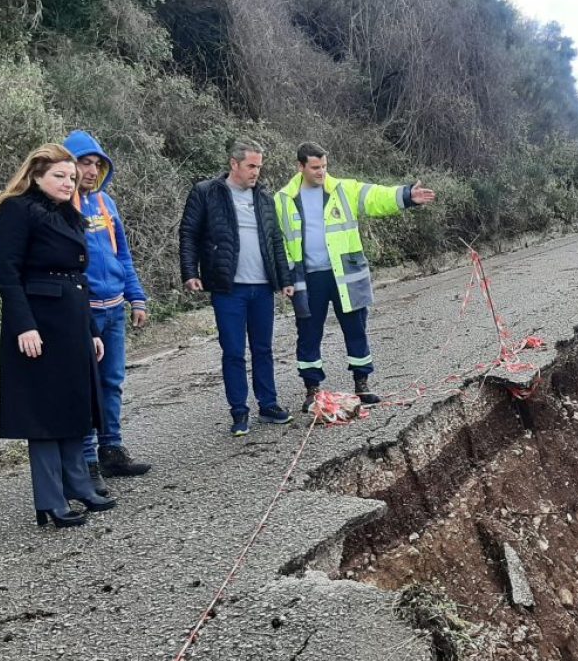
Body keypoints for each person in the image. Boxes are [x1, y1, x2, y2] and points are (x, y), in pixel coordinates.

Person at [0, 144, 117, 527]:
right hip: (39, 320)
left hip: (72, 319)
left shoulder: (68, 214)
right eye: (59, 176)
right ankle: (50, 501)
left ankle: (78, 485)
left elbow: (78, 278)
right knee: (44, 413)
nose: (68, 182)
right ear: (37, 175)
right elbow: (7, 275)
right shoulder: (16, 209)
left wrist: (91, 329)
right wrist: (24, 325)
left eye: (72, 177)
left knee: (74, 404)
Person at [274, 142, 436, 412]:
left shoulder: (342, 189)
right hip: (307, 278)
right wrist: (285, 277)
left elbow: (375, 197)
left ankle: (362, 384)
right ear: (300, 167)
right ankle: (312, 389)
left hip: (345, 275)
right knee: (308, 334)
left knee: (356, 329)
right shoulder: (283, 199)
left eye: (324, 166)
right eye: (315, 168)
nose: (321, 172)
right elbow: (277, 242)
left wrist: (406, 196)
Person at [179, 139, 295, 436]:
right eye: (251, 166)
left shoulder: (264, 197)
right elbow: (189, 233)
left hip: (262, 287)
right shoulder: (206, 193)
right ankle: (239, 412)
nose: (256, 172)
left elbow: (275, 240)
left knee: (263, 349)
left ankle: (268, 405)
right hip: (228, 287)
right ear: (234, 164)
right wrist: (190, 271)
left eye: (259, 166)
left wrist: (284, 279)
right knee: (233, 351)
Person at [63, 130, 151, 493]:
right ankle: (86, 462)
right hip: (82, 312)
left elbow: (122, 256)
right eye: (84, 163)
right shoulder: (60, 208)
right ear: (69, 165)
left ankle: (111, 449)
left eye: (97, 164)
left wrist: (137, 297)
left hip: (114, 308)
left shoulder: (106, 204)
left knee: (112, 383)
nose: (91, 170)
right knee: (85, 388)